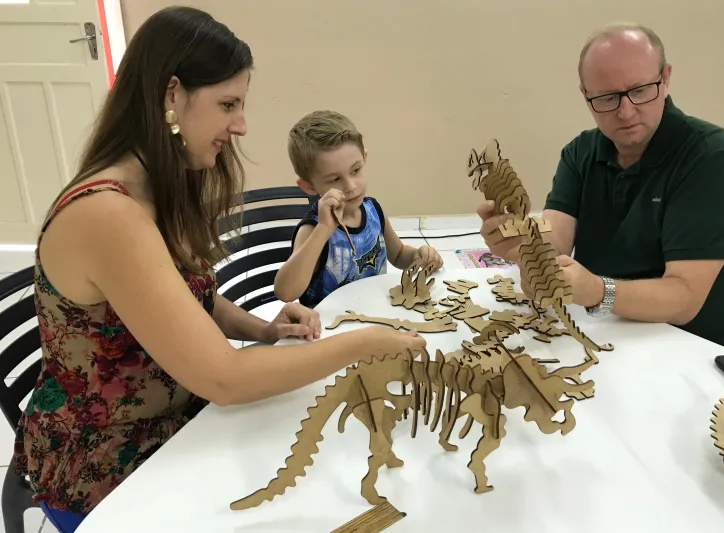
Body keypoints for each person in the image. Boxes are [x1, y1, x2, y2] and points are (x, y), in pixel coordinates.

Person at [12, 7, 425, 532]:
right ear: (171, 95)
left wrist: (265, 329)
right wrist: (364, 343)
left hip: (180, 419)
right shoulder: (107, 214)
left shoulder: (159, 185)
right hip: (110, 462)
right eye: (228, 104)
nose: (242, 124)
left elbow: (191, 299)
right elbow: (225, 379)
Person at [477, 22, 724, 353]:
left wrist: (597, 291)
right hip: (607, 334)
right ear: (586, 96)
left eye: (640, 90)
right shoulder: (581, 152)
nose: (626, 112)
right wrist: (525, 245)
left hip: (692, 352)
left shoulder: (714, 160)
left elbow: (683, 299)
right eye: (607, 98)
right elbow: (556, 239)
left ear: (665, 79)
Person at [273, 110, 443, 308]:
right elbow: (286, 292)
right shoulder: (312, 230)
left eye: (356, 170)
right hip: (330, 332)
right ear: (309, 187)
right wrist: (322, 231)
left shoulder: (373, 211)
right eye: (335, 179)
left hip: (375, 318)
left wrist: (419, 256)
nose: (351, 186)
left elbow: (397, 255)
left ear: (365, 158)